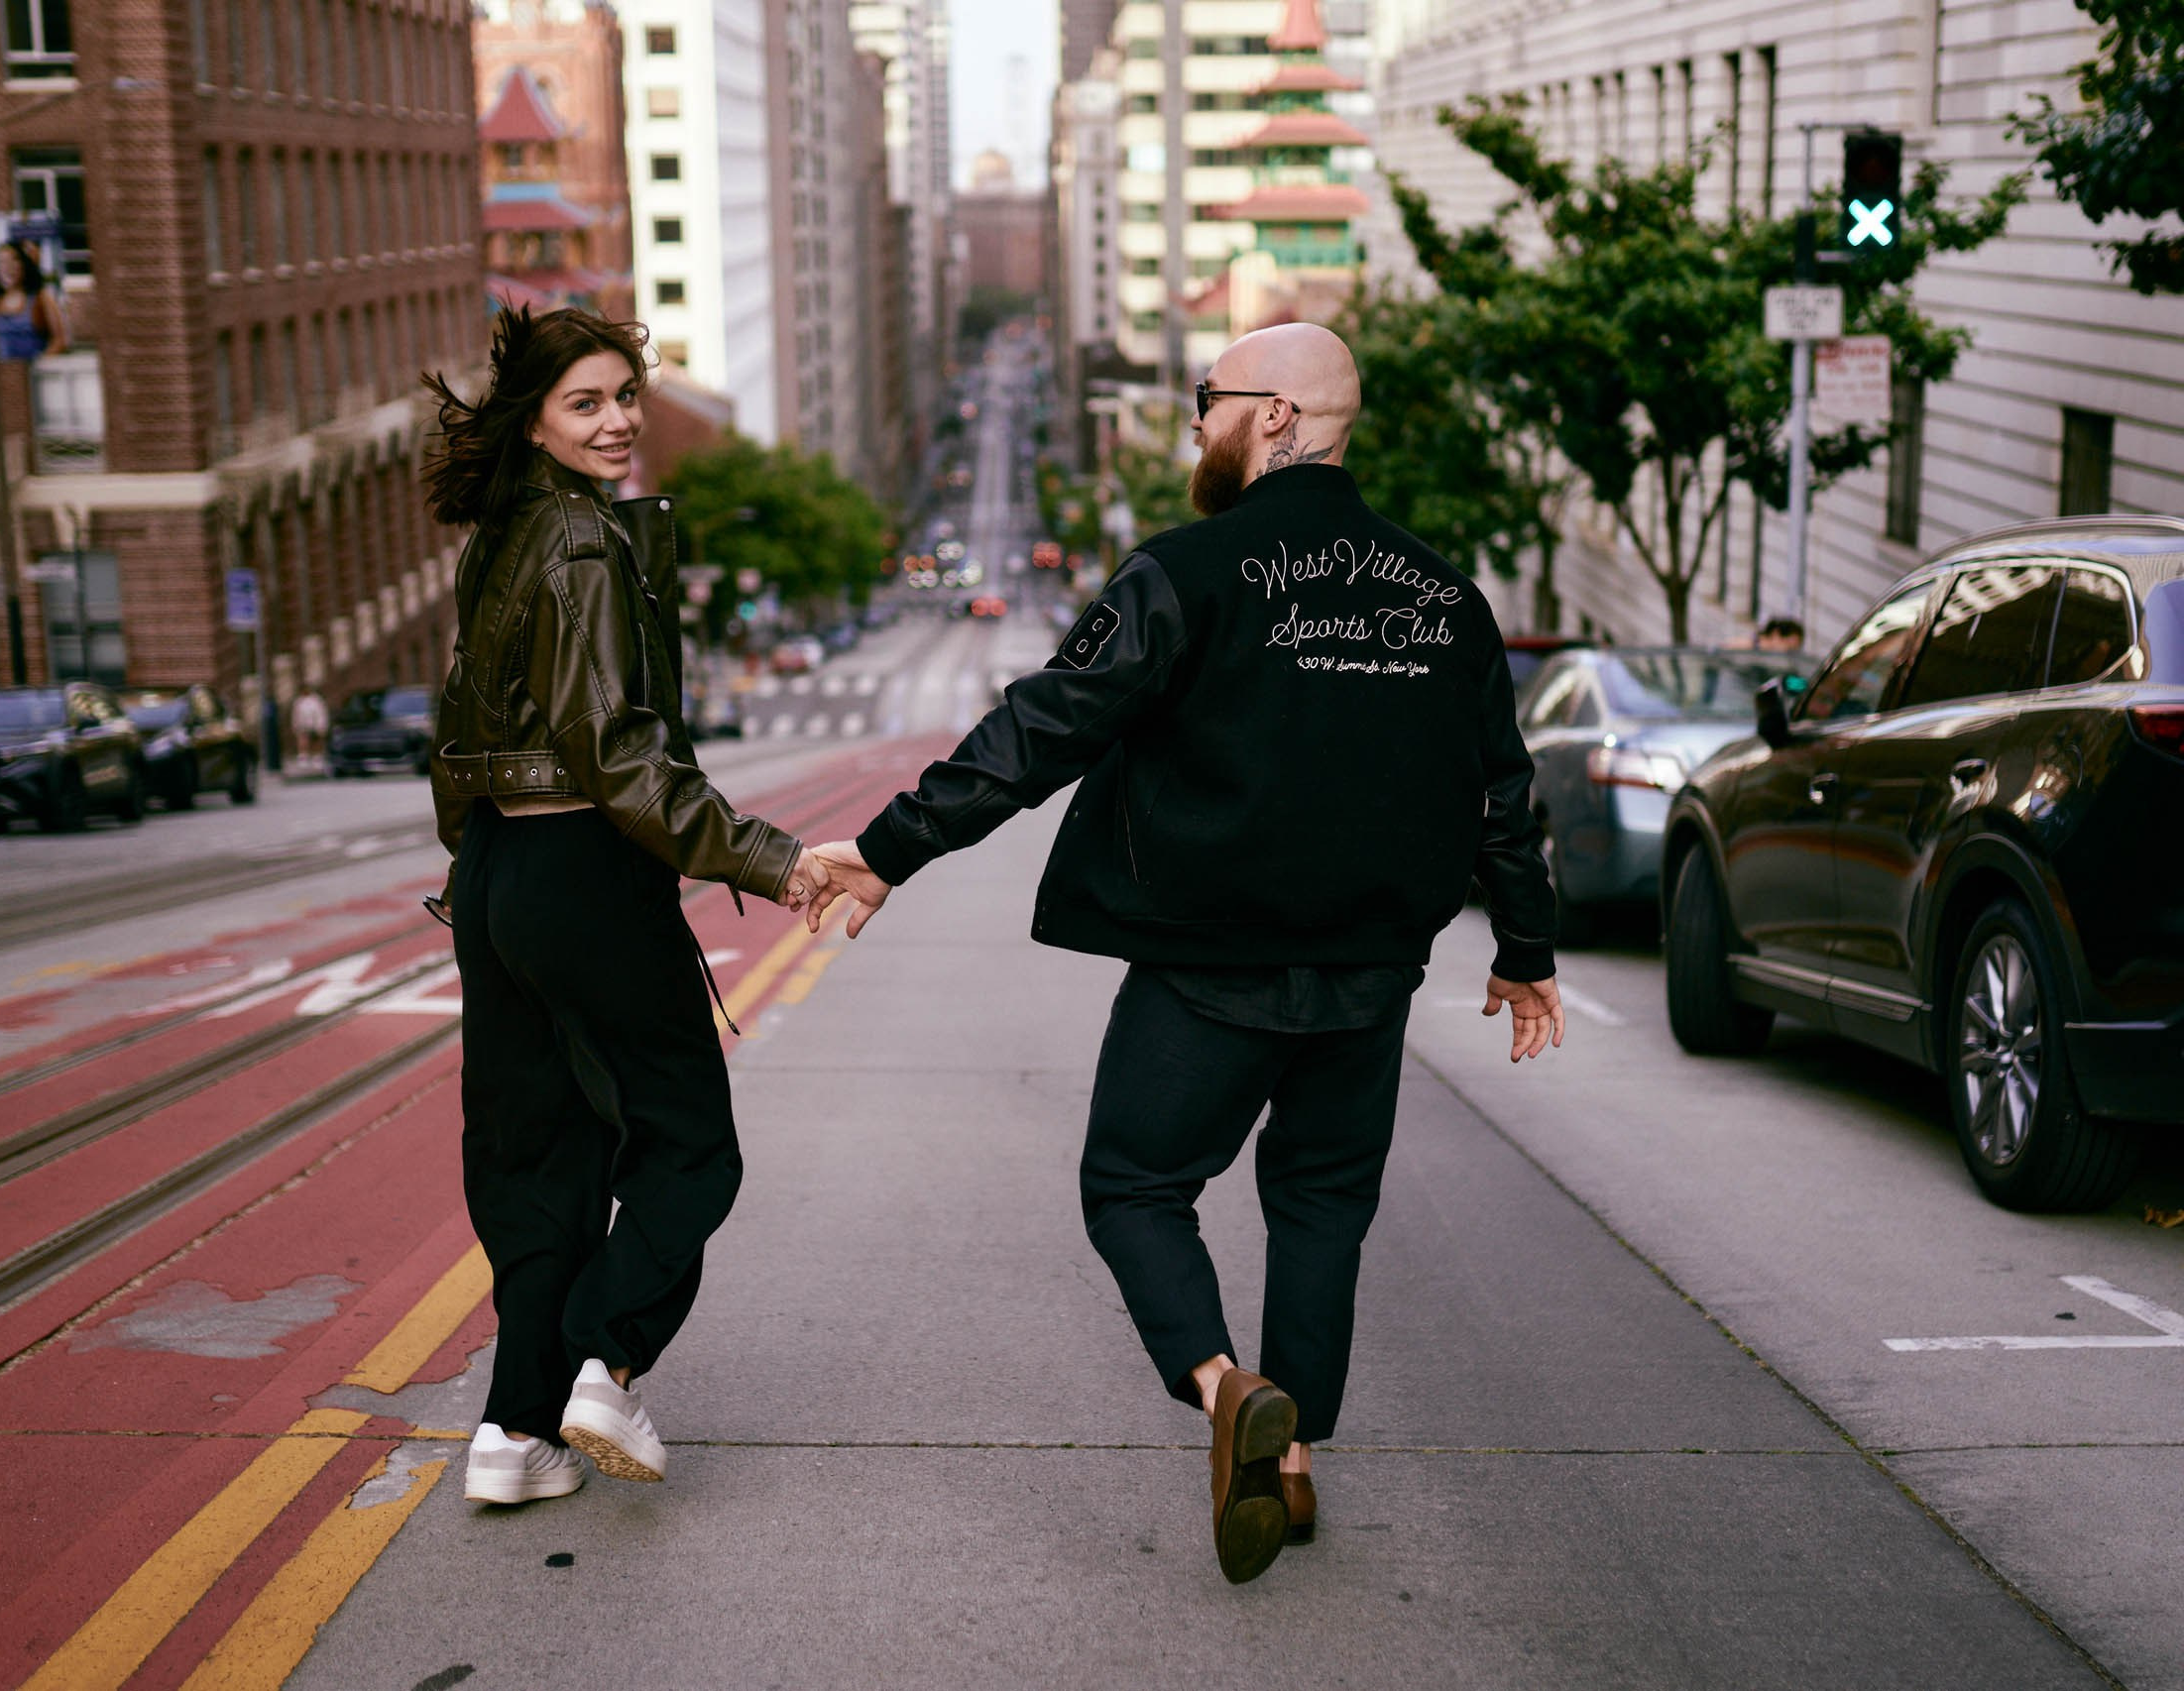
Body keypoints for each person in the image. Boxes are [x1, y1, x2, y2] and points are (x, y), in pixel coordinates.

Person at [802, 323, 1564, 1584]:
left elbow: (1044, 725)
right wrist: (1525, 948)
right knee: (1321, 1205)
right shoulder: (1446, 597)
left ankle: (1225, 1391)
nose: (1194, 423)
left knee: (1135, 1185)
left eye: (1208, 400)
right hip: (1370, 976)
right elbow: (1500, 790)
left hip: (1211, 967)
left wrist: (890, 848)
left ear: (1273, 418)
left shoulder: (1188, 572)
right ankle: (1294, 1459)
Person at [423, 304, 826, 1507]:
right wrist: (778, 860)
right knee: (687, 1141)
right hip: (586, 871)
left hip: (500, 875)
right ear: (535, 420)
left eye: (624, 395)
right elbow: (621, 758)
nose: (617, 421)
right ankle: (604, 1360)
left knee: (537, 1158)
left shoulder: (498, 538)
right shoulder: (585, 548)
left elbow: (456, 734)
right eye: (584, 402)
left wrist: (488, 873)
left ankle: (510, 1435)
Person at [0, 238, 70, 359]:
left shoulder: (41, 298)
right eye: (1, 262)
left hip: (33, 373)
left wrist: (41, 363)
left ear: (24, 265)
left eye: (13, 261)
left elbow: (60, 340)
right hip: (3, 374)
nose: (7, 267)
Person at [289, 689, 329, 769]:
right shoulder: (299, 701)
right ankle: (304, 759)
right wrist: (296, 726)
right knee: (303, 741)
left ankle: (317, 759)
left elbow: (321, 713)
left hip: (315, 724)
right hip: (303, 725)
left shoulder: (317, 700)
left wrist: (322, 726)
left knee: (317, 742)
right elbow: (296, 715)